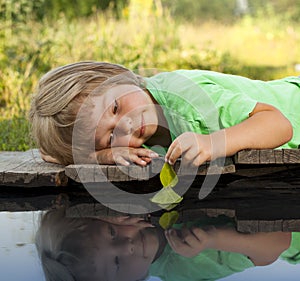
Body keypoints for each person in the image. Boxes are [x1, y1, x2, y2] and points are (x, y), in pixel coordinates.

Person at [29, 61, 300, 167]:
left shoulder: (186, 96)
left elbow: (278, 125)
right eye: (111, 137)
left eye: (115, 108)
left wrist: (213, 142)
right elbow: (50, 154)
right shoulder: (136, 137)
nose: (125, 126)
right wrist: (100, 155)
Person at [35, 207, 295, 281]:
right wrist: (214, 239)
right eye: (116, 265)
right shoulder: (185, 266)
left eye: (111, 233)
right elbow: (279, 240)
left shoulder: (135, 195)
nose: (128, 247)